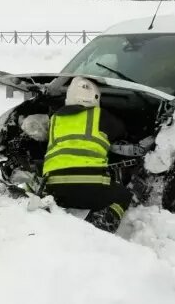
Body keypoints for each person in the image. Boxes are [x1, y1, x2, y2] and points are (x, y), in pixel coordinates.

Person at [42, 76, 133, 233]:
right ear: (95, 97)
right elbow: (122, 131)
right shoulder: (101, 115)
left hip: (54, 187)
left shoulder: (55, 118)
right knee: (124, 196)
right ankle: (102, 225)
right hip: (89, 186)